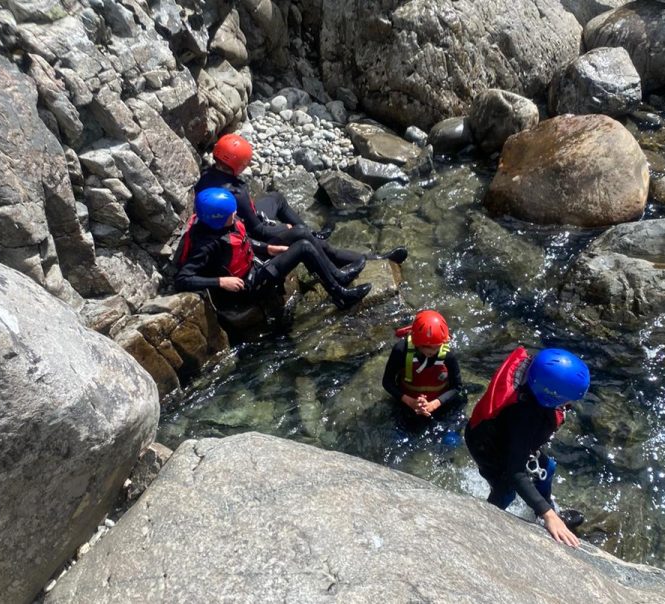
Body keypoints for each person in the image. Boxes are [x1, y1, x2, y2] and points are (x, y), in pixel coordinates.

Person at [197, 133, 408, 276]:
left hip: (232, 221)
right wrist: (283, 228)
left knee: (276, 198)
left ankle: (312, 234)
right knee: (306, 237)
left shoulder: (207, 176)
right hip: (246, 233)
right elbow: (258, 230)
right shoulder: (237, 192)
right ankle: (370, 259)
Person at [464, 347, 590, 548]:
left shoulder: (532, 378)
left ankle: (544, 510)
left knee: (547, 469)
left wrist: (545, 510)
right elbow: (515, 472)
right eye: (567, 400)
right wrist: (548, 515)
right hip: (487, 447)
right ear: (550, 395)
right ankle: (484, 522)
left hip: (504, 435)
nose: (570, 404)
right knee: (506, 490)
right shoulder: (524, 416)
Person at [173, 187, 371, 310]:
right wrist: (220, 282)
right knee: (303, 248)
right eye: (230, 213)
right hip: (248, 287)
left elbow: (243, 241)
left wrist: (268, 249)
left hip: (256, 266)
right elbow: (183, 280)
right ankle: (341, 295)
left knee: (300, 233)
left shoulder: (225, 225)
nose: (235, 214)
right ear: (215, 219)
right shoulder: (206, 245)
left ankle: (337, 274)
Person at [382, 310, 464, 423]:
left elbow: (457, 386)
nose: (434, 351)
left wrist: (434, 404)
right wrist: (410, 402)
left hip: (440, 403)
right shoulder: (401, 350)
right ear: (417, 343)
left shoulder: (448, 354)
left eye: (438, 347)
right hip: (407, 402)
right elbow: (387, 382)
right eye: (429, 347)